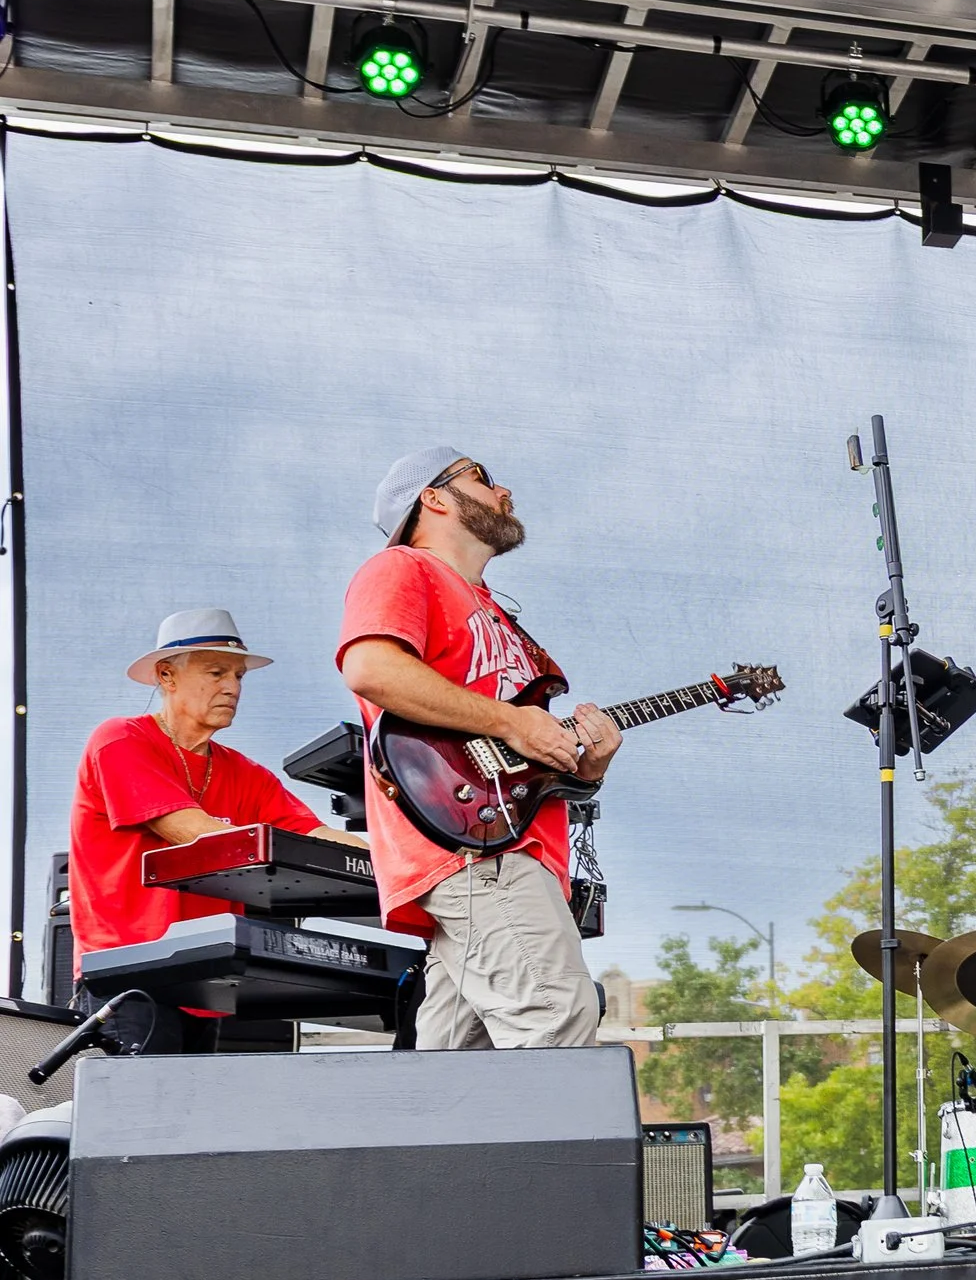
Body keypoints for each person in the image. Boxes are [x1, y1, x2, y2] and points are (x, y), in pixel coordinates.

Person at [337, 448, 620, 1050]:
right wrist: (513, 724)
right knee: (556, 1022)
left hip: (507, 841)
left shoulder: (496, 614)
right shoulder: (401, 569)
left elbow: (525, 748)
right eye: (482, 478)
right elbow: (371, 668)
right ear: (433, 498)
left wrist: (583, 768)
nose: (504, 490)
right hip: (475, 848)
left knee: (456, 1076)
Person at [67, 608, 366, 1053]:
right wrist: (267, 843)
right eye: (215, 672)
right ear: (167, 676)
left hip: (205, 981)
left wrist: (390, 858)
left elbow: (316, 836)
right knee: (137, 1117)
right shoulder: (120, 739)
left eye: (239, 676)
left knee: (188, 1117)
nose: (232, 687)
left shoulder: (247, 774)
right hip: (127, 977)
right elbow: (190, 831)